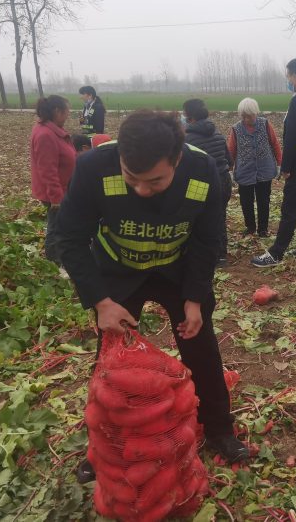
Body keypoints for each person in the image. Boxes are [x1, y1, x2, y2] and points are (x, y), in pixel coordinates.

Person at [56, 111, 249, 483]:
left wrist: (195, 297)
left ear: (176, 160)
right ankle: (104, 447)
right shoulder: (94, 167)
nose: (142, 189)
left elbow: (208, 238)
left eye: (155, 180)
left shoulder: (202, 170)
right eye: (132, 178)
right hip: (119, 270)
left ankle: (219, 429)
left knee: (201, 347)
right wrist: (100, 302)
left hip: (177, 269)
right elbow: (70, 238)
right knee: (113, 357)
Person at [252, 58, 296, 267]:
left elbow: (291, 138)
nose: (288, 80)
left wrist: (286, 167)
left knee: (289, 209)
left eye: (288, 76)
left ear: (294, 75)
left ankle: (276, 253)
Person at [182, 98, 233, 266]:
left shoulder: (188, 139)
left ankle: (203, 254)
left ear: (190, 117)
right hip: (224, 180)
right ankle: (221, 255)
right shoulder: (217, 133)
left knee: (199, 219)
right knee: (219, 217)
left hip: (202, 184)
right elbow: (229, 160)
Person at [30, 95, 76, 265]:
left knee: (59, 224)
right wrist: (56, 198)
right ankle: (53, 261)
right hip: (55, 192)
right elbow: (47, 170)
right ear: (57, 111)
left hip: (62, 188)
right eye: (67, 111)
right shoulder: (45, 135)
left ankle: (59, 255)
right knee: (56, 226)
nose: (68, 115)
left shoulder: (51, 130)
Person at [228, 97, 282, 238]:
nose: (246, 119)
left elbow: (275, 144)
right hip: (244, 171)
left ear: (256, 113)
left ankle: (263, 229)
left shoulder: (265, 124)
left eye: (249, 116)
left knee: (264, 201)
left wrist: (279, 164)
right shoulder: (236, 129)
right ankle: (250, 227)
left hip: (264, 170)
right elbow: (231, 151)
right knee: (246, 202)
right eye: (243, 116)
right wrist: (230, 170)